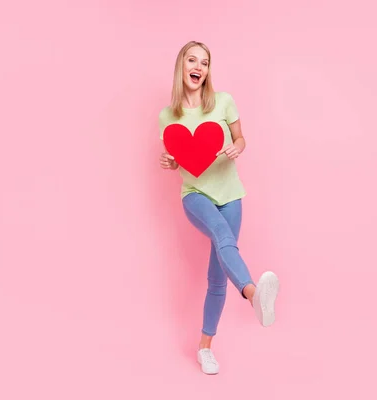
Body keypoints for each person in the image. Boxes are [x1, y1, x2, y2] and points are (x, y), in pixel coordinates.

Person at [158, 41, 280, 375]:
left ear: (208, 71)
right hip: (195, 193)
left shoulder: (223, 102)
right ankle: (254, 294)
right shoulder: (167, 116)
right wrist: (169, 162)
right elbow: (176, 159)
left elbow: (241, 138)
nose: (199, 67)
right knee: (223, 235)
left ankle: (204, 347)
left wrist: (236, 148)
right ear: (181, 66)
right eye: (192, 60)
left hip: (231, 193)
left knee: (216, 278)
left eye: (205, 62)